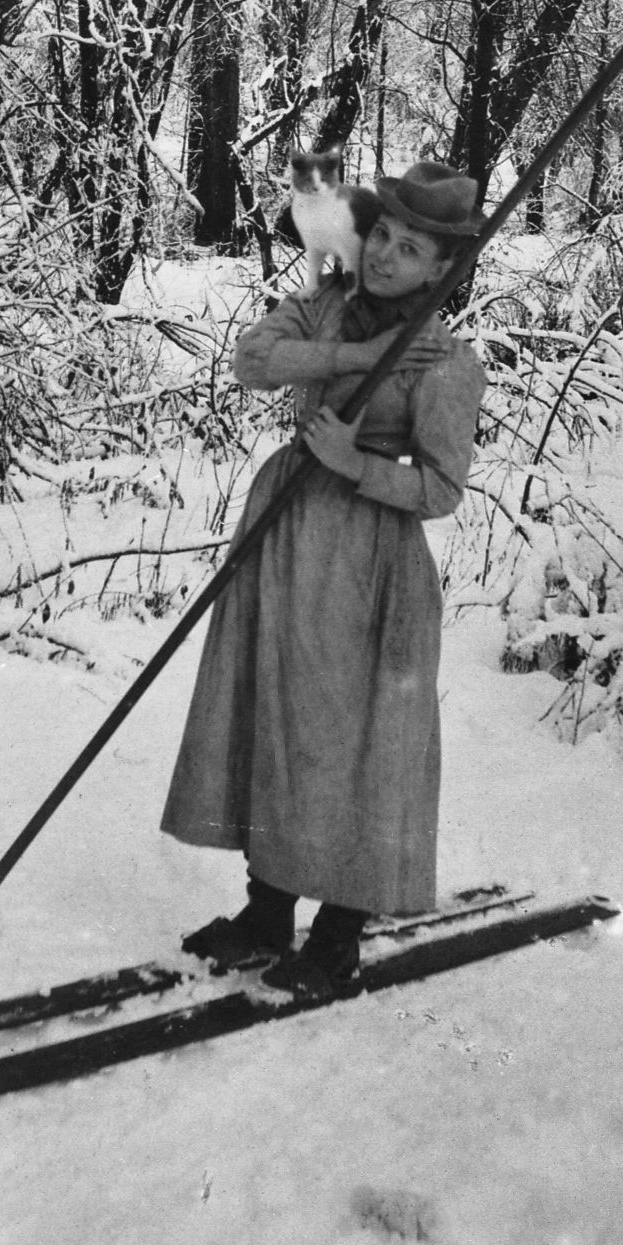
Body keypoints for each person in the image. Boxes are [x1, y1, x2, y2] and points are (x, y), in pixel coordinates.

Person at [160, 161, 487, 997]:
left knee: (349, 741)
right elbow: (252, 359)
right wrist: (354, 353)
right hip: (288, 535)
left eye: (410, 248)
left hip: (371, 566)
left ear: (440, 270)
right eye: (381, 232)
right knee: (277, 712)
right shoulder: (328, 301)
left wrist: (358, 463)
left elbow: (444, 489)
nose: (383, 255)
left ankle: (339, 930)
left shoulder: (448, 362)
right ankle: (267, 912)